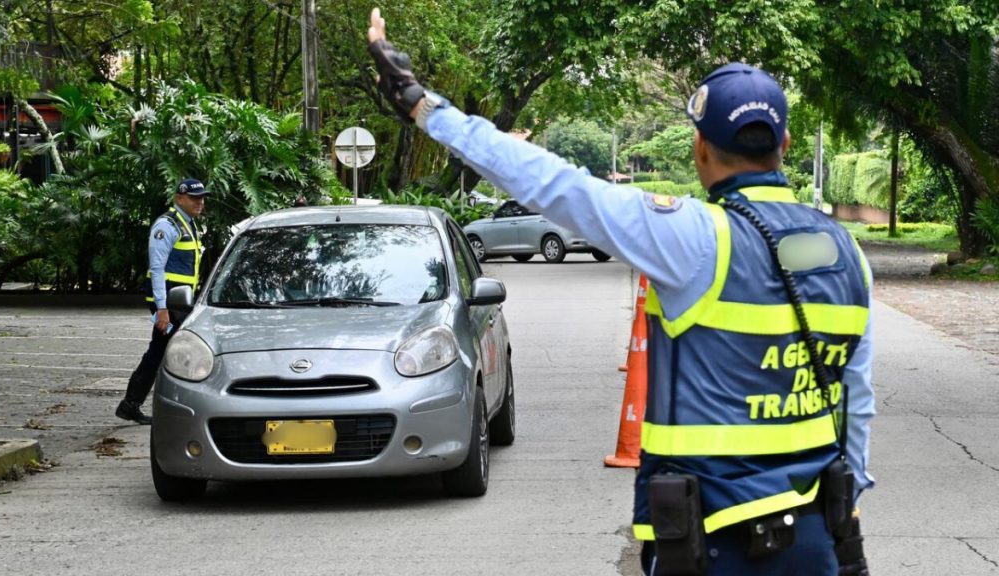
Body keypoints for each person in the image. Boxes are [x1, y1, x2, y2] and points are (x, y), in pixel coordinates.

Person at [366, 9, 874, 575]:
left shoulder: (694, 238)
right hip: (817, 539)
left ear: (700, 148)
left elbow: (553, 183)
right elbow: (857, 399)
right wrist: (844, 513)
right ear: (784, 142)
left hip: (719, 542)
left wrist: (422, 105)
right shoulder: (846, 252)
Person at [116, 178, 209, 424]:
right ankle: (133, 403)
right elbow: (157, 268)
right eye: (194, 198)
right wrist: (162, 309)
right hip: (169, 305)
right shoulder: (167, 225)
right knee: (163, 350)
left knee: (163, 350)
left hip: (180, 304)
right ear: (179, 198)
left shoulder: (188, 224)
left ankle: (131, 404)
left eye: (201, 198)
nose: (200, 202)